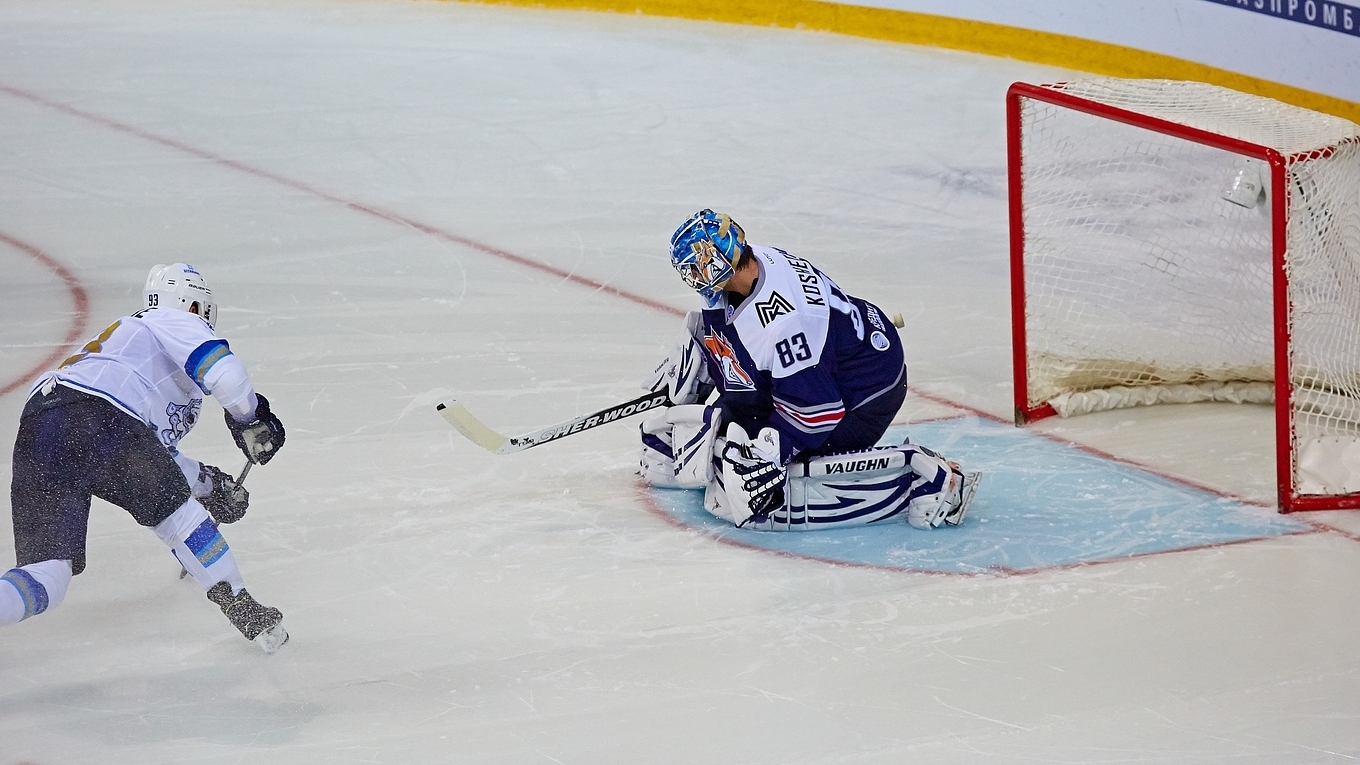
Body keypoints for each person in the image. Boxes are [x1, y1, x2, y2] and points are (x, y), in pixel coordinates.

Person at [1, 263, 289, 652]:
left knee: (47, 575)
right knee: (180, 519)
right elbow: (225, 375)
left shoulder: (131, 353)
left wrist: (209, 485)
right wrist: (251, 419)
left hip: (42, 420)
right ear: (194, 306)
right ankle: (243, 607)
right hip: (100, 417)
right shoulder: (170, 319)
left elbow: (147, 461)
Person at [641, 210, 978, 530]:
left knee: (751, 475)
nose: (691, 277)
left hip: (865, 392)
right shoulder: (751, 264)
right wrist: (708, 359)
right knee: (721, 436)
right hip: (832, 358)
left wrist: (770, 452)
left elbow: (816, 412)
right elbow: (739, 339)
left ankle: (927, 478)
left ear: (719, 263)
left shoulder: (786, 324)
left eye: (696, 267)